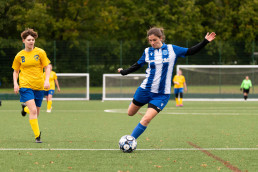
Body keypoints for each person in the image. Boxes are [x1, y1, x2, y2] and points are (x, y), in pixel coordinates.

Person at [118, 27, 216, 140]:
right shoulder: (147, 51)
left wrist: (205, 42)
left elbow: (190, 51)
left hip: (161, 95)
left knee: (146, 119)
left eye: (154, 40)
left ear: (161, 38)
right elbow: (137, 65)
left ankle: (131, 140)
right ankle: (140, 102)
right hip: (145, 90)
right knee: (130, 113)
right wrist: (124, 72)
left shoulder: (172, 49)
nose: (152, 43)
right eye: (150, 40)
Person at [12, 28, 51, 143]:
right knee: (33, 110)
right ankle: (37, 136)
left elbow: (47, 67)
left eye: (33, 39)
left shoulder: (40, 52)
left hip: (39, 86)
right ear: (23, 41)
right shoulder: (19, 55)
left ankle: (25, 108)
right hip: (25, 85)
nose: (31, 41)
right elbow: (15, 71)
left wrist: (47, 80)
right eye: (29, 39)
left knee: (36, 112)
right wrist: (15, 83)